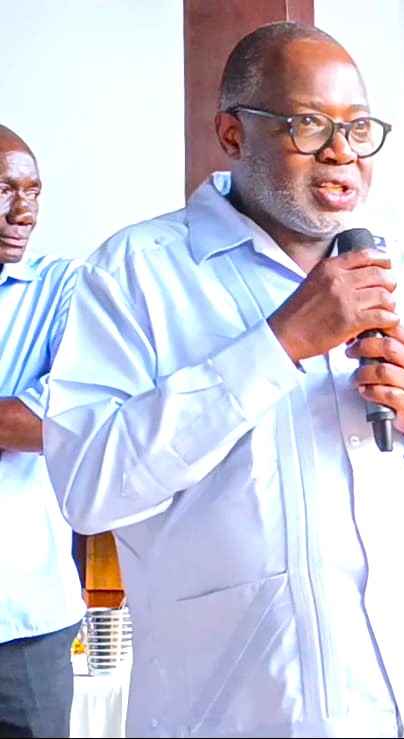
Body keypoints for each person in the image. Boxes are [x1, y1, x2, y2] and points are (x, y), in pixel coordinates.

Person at [44, 22, 404, 739]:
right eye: (308, 125)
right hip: (237, 717)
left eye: (357, 127)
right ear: (232, 133)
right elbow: (88, 486)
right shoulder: (134, 273)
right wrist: (277, 346)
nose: (341, 152)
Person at [0, 124, 86, 738]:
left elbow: (52, 421)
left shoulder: (65, 286)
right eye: (4, 189)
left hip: (24, 620)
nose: (23, 212)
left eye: (32, 192)